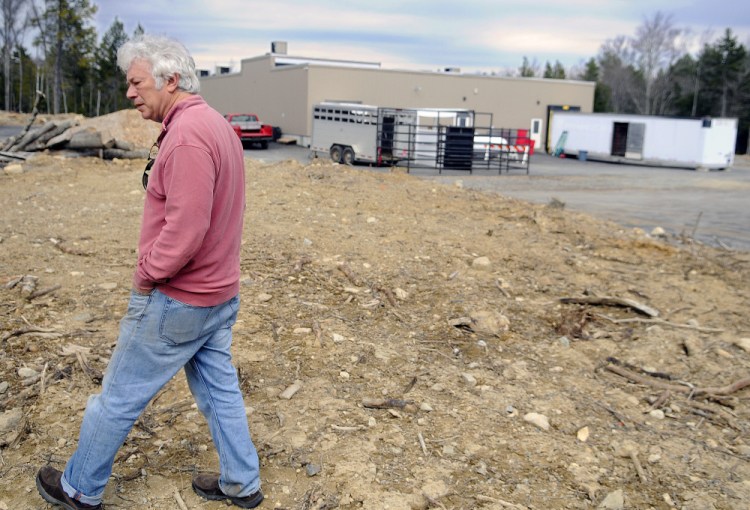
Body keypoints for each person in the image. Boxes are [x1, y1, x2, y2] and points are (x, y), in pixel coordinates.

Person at [35, 34, 263, 509]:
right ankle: (242, 481)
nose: (130, 93)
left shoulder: (185, 137)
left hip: (178, 301)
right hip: (218, 296)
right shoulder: (216, 126)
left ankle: (79, 489)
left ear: (170, 80)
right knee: (220, 392)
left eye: (137, 83)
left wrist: (147, 275)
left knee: (117, 397)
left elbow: (186, 228)